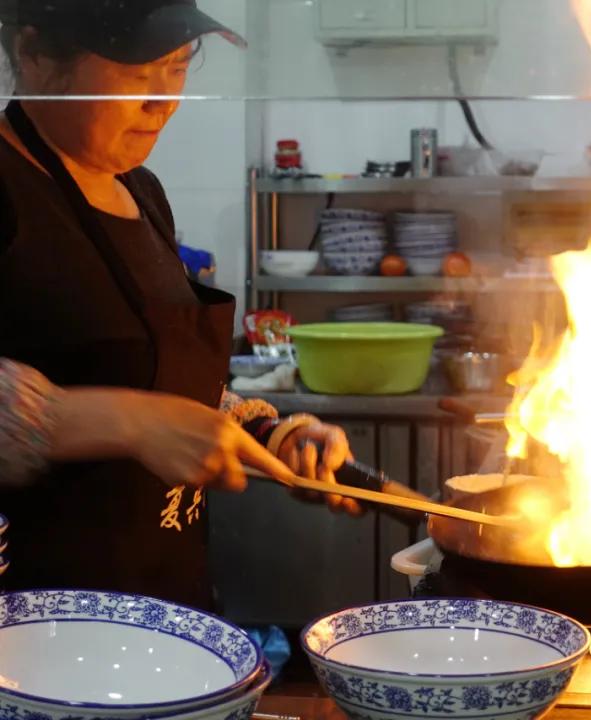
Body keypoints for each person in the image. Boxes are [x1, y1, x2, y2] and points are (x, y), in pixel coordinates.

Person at [0, 0, 359, 610]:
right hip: (33, 635)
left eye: (176, 66)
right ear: (35, 56)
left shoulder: (141, 191)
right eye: (139, 71)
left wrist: (266, 432)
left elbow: (152, 369)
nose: (163, 101)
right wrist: (127, 422)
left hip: (160, 609)